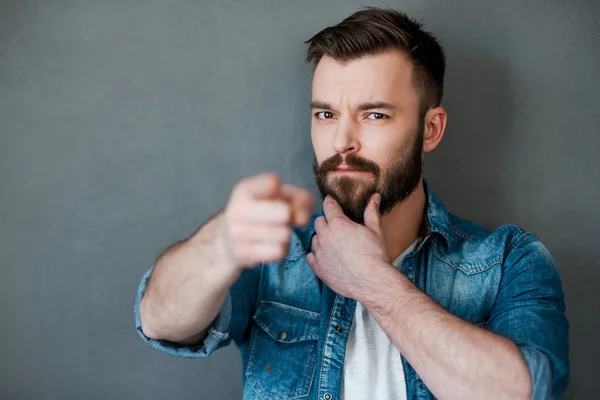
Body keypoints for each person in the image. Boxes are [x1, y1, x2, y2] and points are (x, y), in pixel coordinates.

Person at [134, 7, 569, 400]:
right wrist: (221, 243)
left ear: (431, 130)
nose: (342, 141)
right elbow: (159, 321)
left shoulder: (509, 260)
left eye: (374, 114)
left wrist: (373, 282)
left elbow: (522, 393)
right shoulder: (273, 255)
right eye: (326, 115)